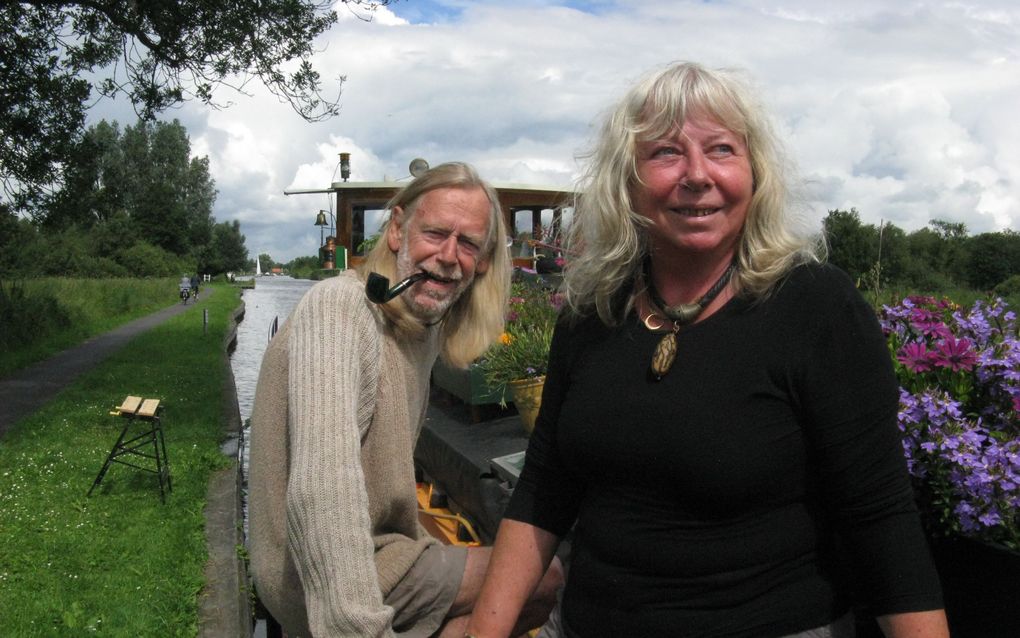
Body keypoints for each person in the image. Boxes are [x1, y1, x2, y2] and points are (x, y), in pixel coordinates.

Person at [466, 63, 949, 638]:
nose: (697, 175)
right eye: (666, 153)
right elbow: (546, 485)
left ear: (755, 173)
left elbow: (880, 514)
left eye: (721, 149)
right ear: (627, 182)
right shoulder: (594, 311)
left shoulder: (815, 307)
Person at [247, 162, 562, 637]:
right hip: (309, 578)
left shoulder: (421, 330)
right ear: (397, 230)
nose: (450, 256)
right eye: (436, 233)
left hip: (381, 553)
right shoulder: (341, 309)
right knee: (542, 579)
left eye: (470, 244)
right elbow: (322, 491)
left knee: (518, 587)